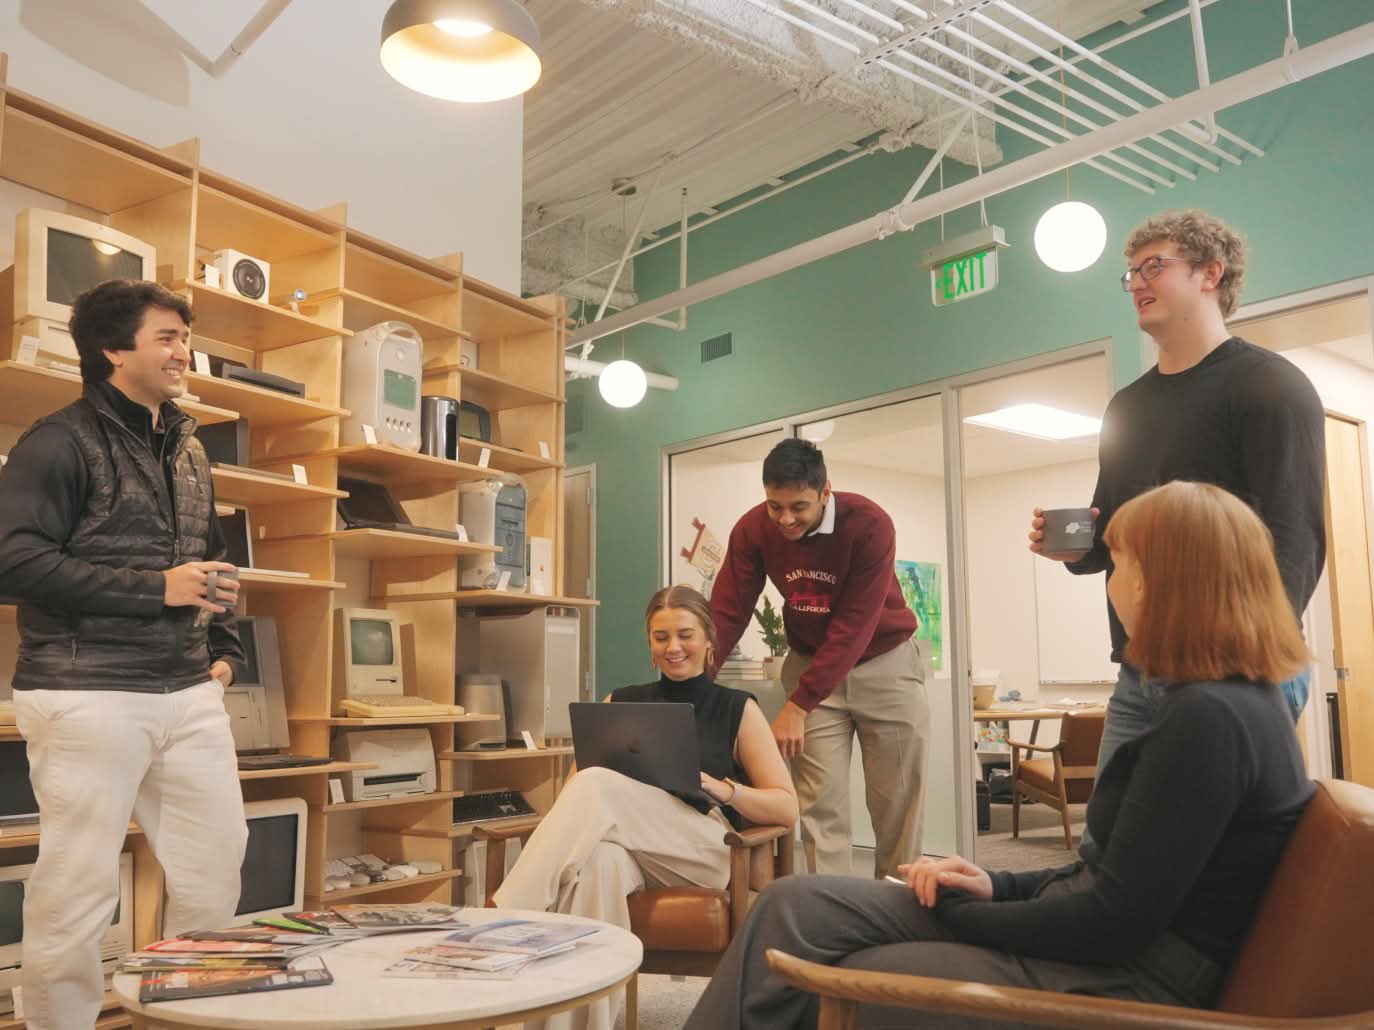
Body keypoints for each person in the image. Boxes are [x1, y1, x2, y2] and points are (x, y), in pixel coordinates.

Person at [686, 480, 1315, 1030]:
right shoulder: (1206, 704)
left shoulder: (1212, 720)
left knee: (835, 966)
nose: (1113, 585)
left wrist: (968, 913)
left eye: (1118, 565)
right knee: (791, 904)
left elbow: (1115, 922)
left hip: (1122, 980)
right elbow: (1103, 879)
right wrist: (995, 883)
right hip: (1084, 938)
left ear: (1156, 582)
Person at [0, 280, 248, 1030]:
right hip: (86, 691)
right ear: (113, 349)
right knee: (76, 891)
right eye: (167, 337)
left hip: (187, 690)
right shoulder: (56, 441)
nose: (184, 352)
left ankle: (186, 1016)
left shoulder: (189, 445)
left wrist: (226, 652)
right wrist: (157, 590)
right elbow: (11, 563)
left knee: (214, 872)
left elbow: (211, 561)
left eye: (184, 337)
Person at [1029, 209, 1325, 807]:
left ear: (1211, 273)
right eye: (1131, 273)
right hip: (1144, 665)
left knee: (1220, 868)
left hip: (1242, 665)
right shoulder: (1128, 408)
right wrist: (1072, 548)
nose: (1136, 283)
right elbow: (1108, 533)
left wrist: (1249, 665)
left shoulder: (1271, 387)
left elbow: (1295, 539)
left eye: (1153, 267)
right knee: (1111, 849)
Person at [492, 584, 797, 1030]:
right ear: (650, 644)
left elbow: (787, 808)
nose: (673, 647)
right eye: (661, 637)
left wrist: (724, 790)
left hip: (708, 849)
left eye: (685, 635)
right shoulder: (622, 700)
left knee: (597, 781)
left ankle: (508, 921)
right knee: (600, 865)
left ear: (709, 639)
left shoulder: (736, 707)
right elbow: (575, 795)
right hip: (632, 847)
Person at [709, 437, 927, 878]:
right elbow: (728, 611)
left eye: (799, 507)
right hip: (811, 666)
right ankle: (835, 914)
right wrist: (696, 677)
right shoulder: (753, 529)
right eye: (775, 506)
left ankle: (897, 910)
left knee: (897, 803)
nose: (785, 519)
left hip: (885, 664)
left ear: (826, 491)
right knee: (819, 807)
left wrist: (798, 705)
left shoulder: (868, 524)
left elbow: (855, 624)